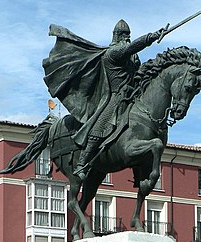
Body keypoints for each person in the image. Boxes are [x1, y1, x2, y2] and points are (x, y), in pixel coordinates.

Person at [42, 19, 165, 181]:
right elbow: (131, 47)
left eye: (129, 36)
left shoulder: (130, 57)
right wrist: (151, 37)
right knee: (101, 125)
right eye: (125, 36)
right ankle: (82, 164)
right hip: (115, 97)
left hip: (132, 95)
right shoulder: (113, 53)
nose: (127, 39)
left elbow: (136, 71)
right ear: (118, 36)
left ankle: (139, 167)